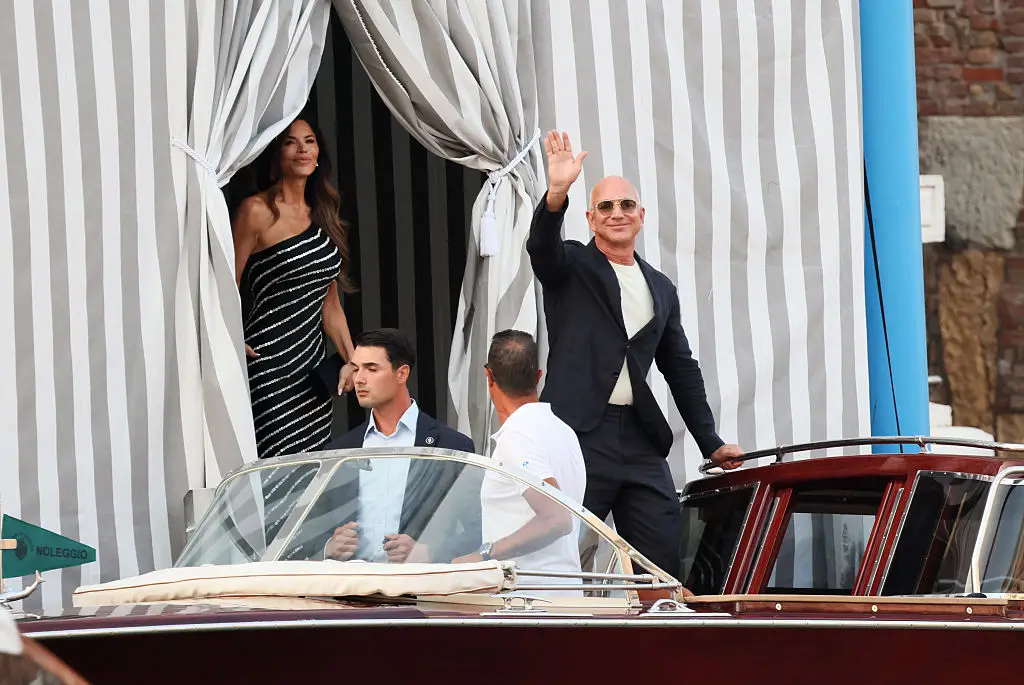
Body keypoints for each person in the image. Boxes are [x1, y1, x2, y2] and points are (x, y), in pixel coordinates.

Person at [526, 130, 745, 577]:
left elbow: (681, 369)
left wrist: (712, 441)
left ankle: (655, 636)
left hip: (640, 439)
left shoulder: (660, 287)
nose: (616, 213)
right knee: (559, 558)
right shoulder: (572, 266)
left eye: (626, 205)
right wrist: (556, 193)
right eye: (605, 206)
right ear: (590, 218)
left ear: (641, 215)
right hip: (579, 432)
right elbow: (541, 249)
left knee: (660, 563)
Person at [232, 117, 358, 459]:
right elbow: (226, 281)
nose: (302, 148)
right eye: (290, 142)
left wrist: (353, 361)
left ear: (318, 153)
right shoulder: (255, 211)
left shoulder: (325, 215)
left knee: (310, 468)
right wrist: (228, 336)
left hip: (312, 371)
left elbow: (330, 305)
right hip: (268, 363)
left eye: (310, 140)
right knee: (274, 466)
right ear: (276, 154)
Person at [322, 328, 478, 563]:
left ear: (402, 374)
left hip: (420, 591)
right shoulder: (339, 451)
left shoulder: (452, 446)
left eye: (371, 369)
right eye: (355, 369)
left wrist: (430, 552)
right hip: (352, 591)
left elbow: (479, 528)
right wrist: (329, 546)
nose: (359, 379)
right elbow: (313, 528)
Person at [452, 330, 586, 589]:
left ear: (488, 376)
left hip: (529, 604)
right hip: (564, 597)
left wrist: (484, 554)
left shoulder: (517, 436)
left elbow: (557, 518)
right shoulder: (565, 432)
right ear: (538, 376)